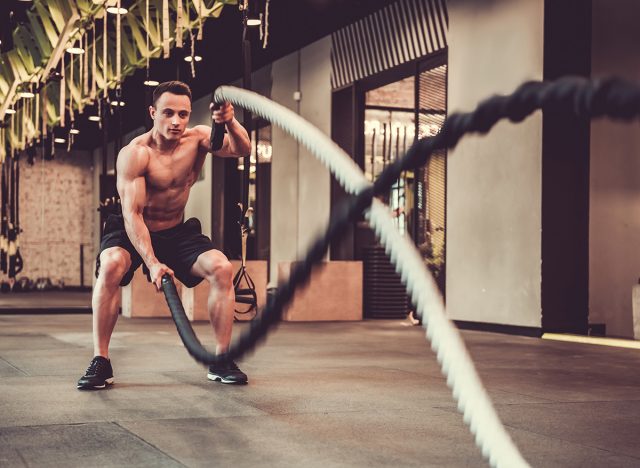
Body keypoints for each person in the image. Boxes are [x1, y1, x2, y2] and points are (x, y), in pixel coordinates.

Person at [77, 81, 252, 390]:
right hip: (130, 229)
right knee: (112, 264)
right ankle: (100, 360)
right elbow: (133, 215)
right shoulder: (135, 154)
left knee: (222, 268)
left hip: (175, 230)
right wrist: (152, 262)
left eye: (183, 114)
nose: (176, 121)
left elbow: (242, 149)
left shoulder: (197, 139)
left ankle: (222, 358)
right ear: (152, 112)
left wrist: (230, 122)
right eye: (168, 113)